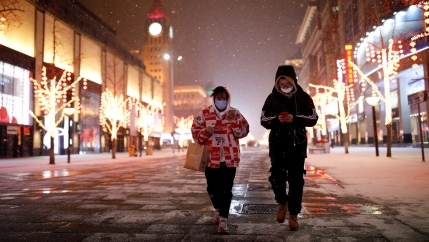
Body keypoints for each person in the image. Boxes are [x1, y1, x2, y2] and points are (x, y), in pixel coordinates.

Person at [260, 65, 318, 231]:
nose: (285, 87)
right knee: (277, 176)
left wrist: (295, 118)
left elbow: (313, 118)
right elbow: (263, 120)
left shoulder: (304, 97)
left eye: (287, 84)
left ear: (293, 81)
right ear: (277, 83)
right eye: (282, 84)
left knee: (296, 180)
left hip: (297, 145)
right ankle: (282, 202)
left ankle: (293, 214)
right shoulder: (271, 98)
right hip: (277, 144)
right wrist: (277, 120)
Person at [191, 85, 249, 234]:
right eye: (219, 98)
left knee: (226, 189)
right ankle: (218, 209)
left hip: (230, 159)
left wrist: (234, 123)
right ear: (214, 99)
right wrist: (206, 131)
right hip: (211, 159)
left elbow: (244, 131)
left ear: (228, 99)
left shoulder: (235, 113)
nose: (221, 101)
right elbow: (195, 135)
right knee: (212, 188)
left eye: (224, 99)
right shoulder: (204, 114)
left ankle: (223, 219)